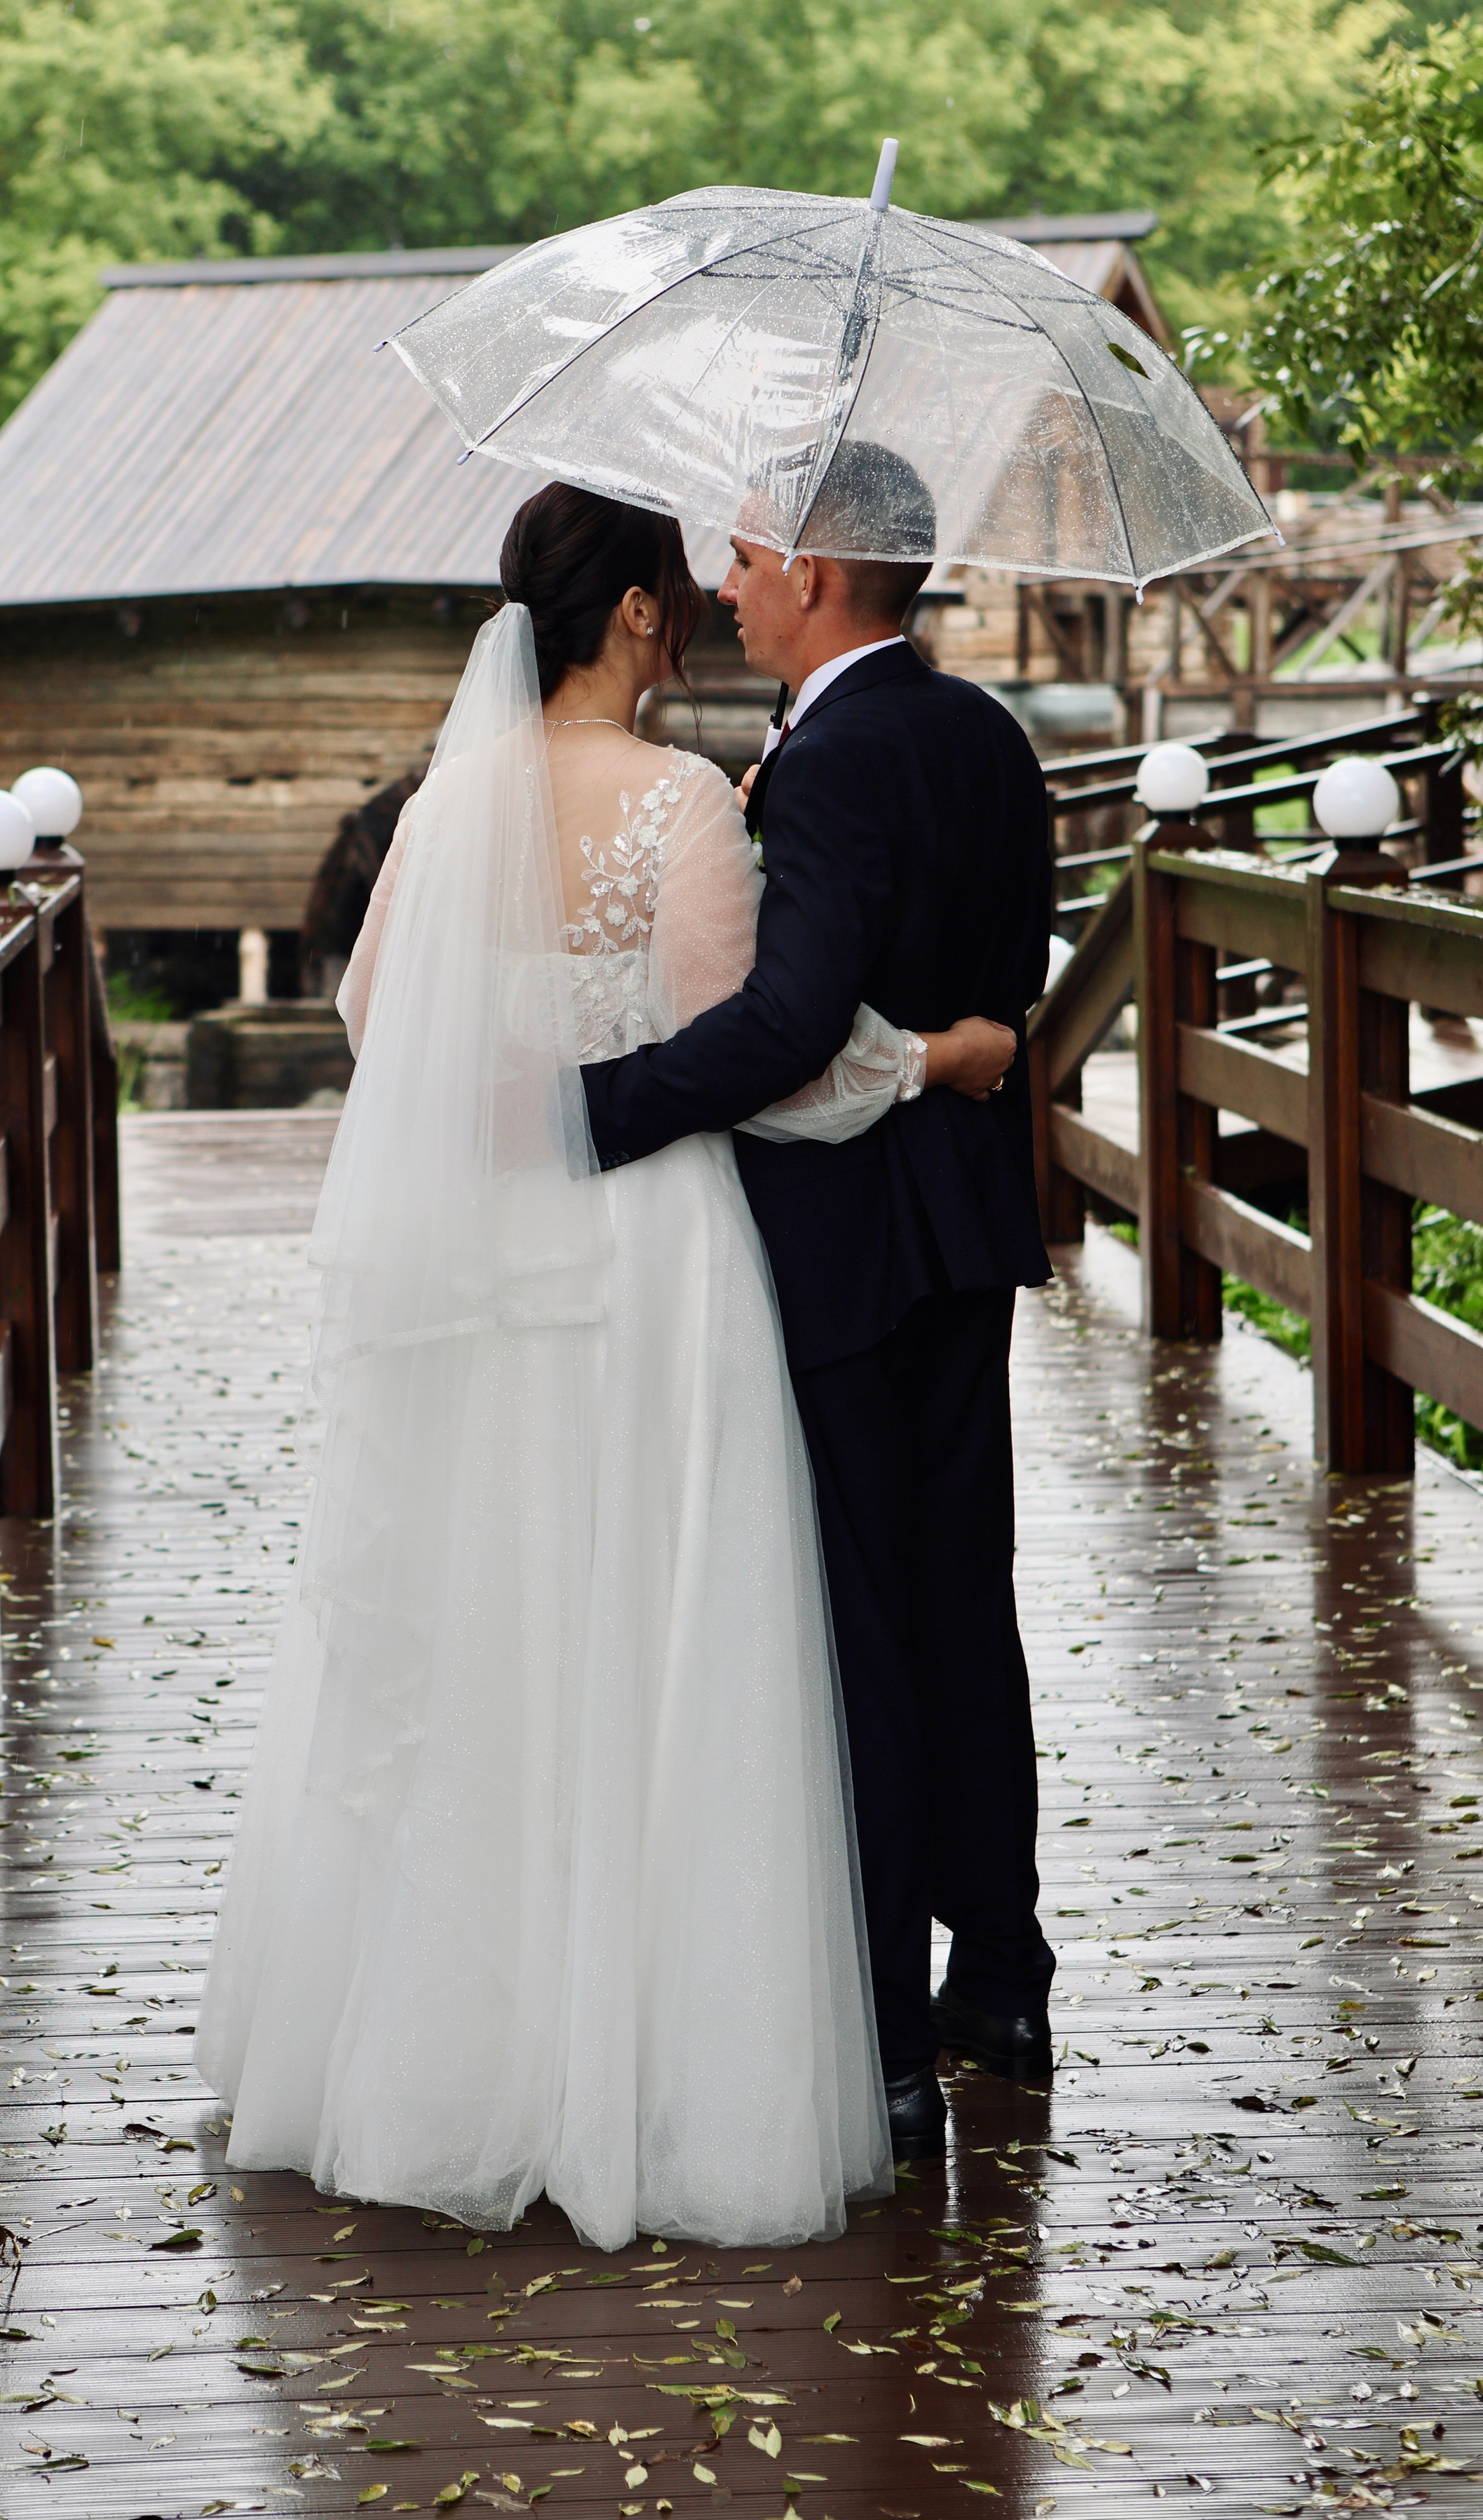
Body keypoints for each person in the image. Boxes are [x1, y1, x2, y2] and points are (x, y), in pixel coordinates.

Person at [196, 483, 1013, 2246]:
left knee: (481, 1617)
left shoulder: (446, 807)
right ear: (634, 618)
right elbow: (769, 1059)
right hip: (648, 1256)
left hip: (482, 1244)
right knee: (649, 1623)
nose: (715, 601)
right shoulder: (677, 808)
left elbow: (370, 1023)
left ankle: (429, 2045)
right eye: (685, 585)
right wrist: (932, 1058)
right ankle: (649, 2040)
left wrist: (508, 1085)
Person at [578, 442, 1057, 2159]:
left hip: (848, 1235)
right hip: (962, 1225)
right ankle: (998, 1970)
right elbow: (1017, 976)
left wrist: (590, 1115)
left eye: (750, 550)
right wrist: (958, 1056)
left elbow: (789, 1026)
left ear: (819, 571)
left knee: (856, 1619)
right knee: (957, 1595)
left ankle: (875, 2030)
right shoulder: (988, 736)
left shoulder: (838, 759)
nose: (722, 579)